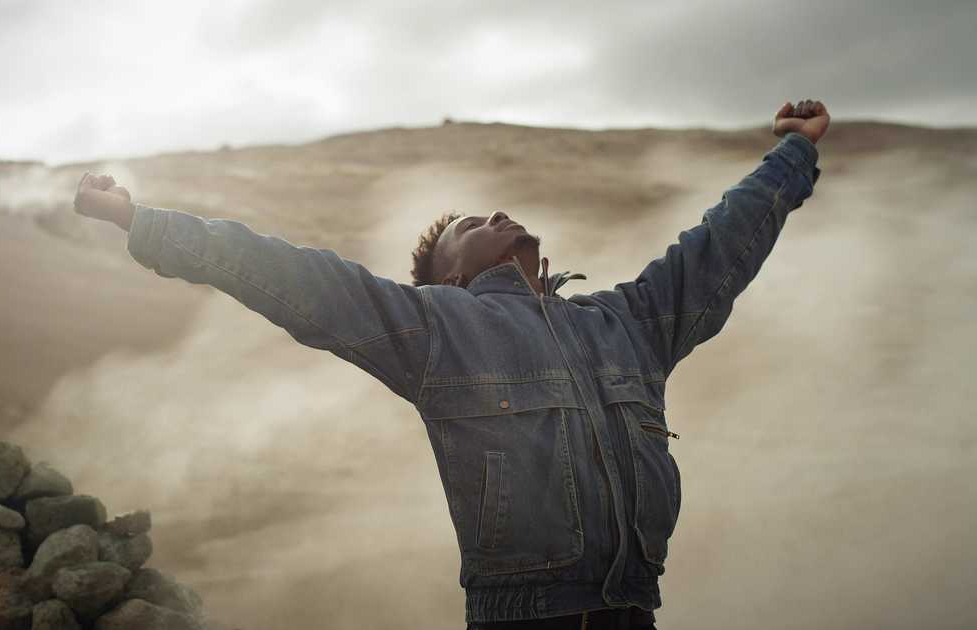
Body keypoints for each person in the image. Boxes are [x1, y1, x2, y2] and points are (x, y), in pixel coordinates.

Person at [73, 100, 829, 629]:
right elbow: (286, 274)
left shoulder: (625, 322)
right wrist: (141, 223)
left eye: (495, 212)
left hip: (637, 611)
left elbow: (721, 244)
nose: (496, 215)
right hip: (523, 621)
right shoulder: (435, 327)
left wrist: (794, 149)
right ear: (449, 277)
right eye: (471, 225)